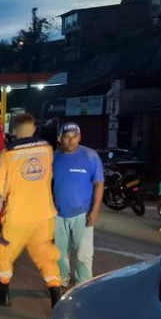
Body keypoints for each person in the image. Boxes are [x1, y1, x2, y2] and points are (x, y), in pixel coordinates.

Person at [0, 113, 62, 308]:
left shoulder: (7, 154)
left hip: (17, 216)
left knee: (5, 254)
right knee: (46, 255)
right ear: (33, 128)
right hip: (44, 215)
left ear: (14, 130)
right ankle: (55, 296)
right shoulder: (47, 150)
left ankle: (4, 295)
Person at [52, 122, 104, 287]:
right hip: (58, 214)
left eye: (74, 137)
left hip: (83, 213)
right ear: (60, 139)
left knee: (83, 255)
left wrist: (95, 210)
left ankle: (83, 285)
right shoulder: (53, 157)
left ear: (79, 138)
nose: (70, 141)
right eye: (66, 137)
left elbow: (99, 184)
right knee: (58, 254)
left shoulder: (90, 156)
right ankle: (61, 282)